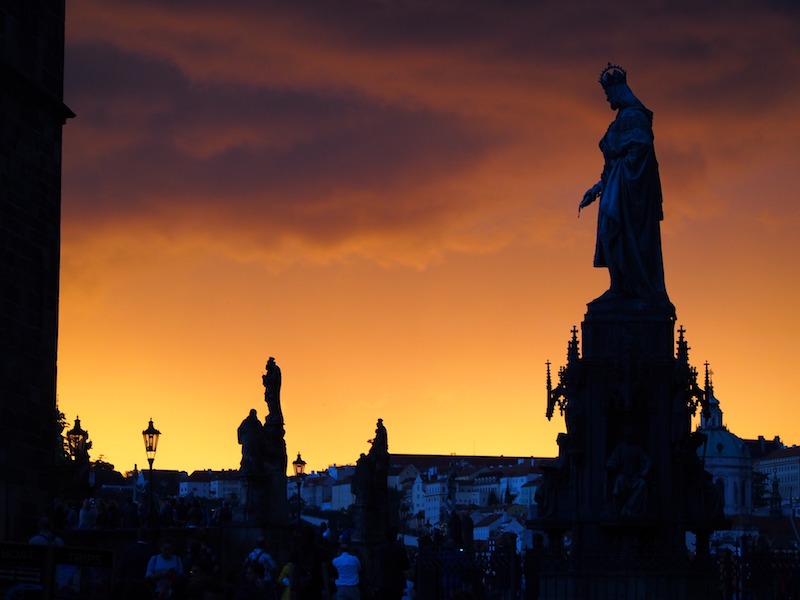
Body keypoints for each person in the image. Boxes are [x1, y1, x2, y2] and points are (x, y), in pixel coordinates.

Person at [579, 63, 670, 307]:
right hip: (616, 186)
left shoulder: (634, 117)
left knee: (616, 232)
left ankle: (626, 288)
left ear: (618, 91)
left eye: (609, 93)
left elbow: (641, 150)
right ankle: (618, 287)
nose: (607, 98)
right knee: (610, 234)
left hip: (629, 192)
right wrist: (597, 188)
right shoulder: (623, 118)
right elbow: (612, 164)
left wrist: (618, 174)